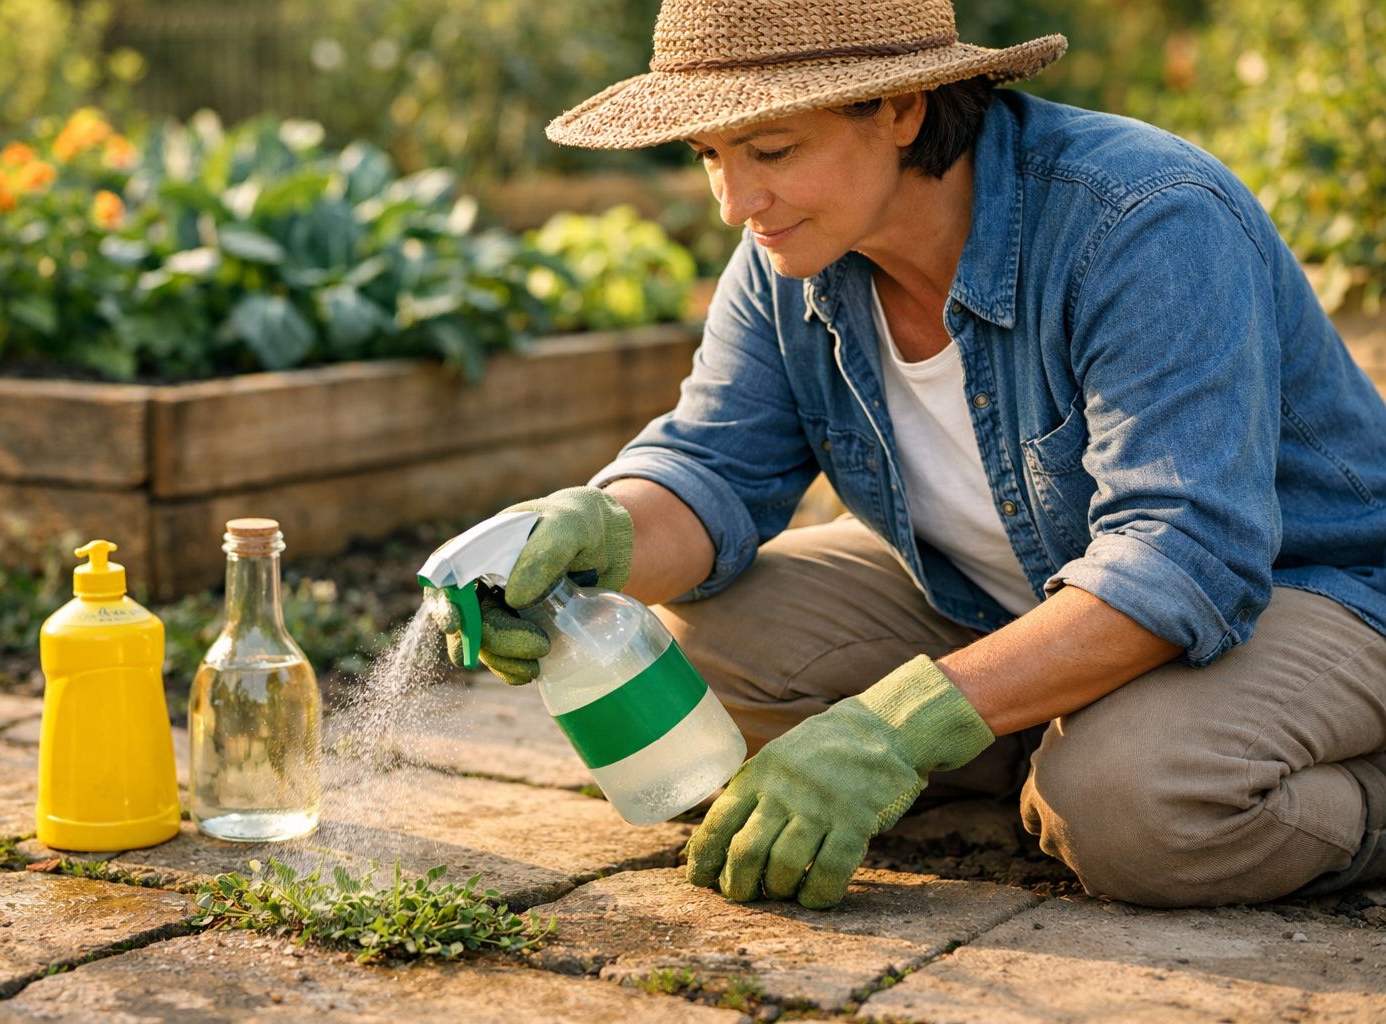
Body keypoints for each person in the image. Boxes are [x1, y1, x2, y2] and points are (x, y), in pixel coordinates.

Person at [434, 0, 1386, 910]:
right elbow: (713, 468)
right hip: (1004, 595)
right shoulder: (790, 251)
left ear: (899, 107)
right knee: (698, 658)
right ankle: (1047, 744)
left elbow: (1186, 555)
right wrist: (590, 538)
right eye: (710, 155)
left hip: (1306, 591)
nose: (735, 202)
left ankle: (1111, 768)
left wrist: (896, 728)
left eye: (769, 149)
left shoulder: (1140, 216)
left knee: (1134, 805)